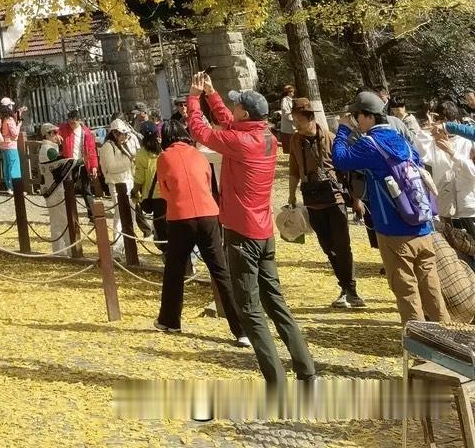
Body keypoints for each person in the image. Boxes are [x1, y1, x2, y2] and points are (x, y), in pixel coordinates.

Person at [185, 72, 315, 389]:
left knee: (249, 309)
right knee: (275, 301)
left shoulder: (240, 142)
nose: (234, 110)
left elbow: (199, 130)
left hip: (242, 234)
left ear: (245, 113)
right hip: (263, 231)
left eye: (237, 106)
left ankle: (276, 381)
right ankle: (306, 369)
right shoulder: (265, 137)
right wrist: (211, 95)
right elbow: (229, 122)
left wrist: (192, 97)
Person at [332, 90, 447, 325]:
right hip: (422, 225)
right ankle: (447, 341)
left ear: (369, 117)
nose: (356, 120)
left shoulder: (370, 144)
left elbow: (341, 159)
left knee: (406, 290)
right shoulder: (401, 140)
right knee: (431, 284)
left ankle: (421, 349)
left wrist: (343, 129)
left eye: (357, 115)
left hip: (394, 230)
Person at [153, 119, 247, 343]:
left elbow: (164, 190)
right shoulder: (199, 154)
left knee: (175, 270)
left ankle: (170, 320)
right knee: (220, 270)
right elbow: (207, 181)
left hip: (180, 217)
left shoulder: (164, 157)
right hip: (208, 214)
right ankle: (241, 330)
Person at [287, 95, 363, 309]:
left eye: (298, 120)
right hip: (311, 200)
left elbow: (348, 173)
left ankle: (351, 290)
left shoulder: (330, 138)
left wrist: (356, 200)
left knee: (342, 246)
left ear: (309, 117)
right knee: (327, 247)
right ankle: (344, 287)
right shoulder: (294, 140)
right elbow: (293, 169)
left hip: (334, 199)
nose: (295, 124)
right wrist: (291, 195)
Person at [428, 121, 475, 237]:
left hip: (469, 209)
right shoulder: (434, 144)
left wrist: (452, 152)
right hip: (450, 209)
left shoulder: (467, 143)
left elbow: (472, 172)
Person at [99, 117, 139, 241]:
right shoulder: (108, 147)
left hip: (128, 182)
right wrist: (129, 161)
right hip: (117, 184)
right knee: (120, 215)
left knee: (131, 215)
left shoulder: (123, 146)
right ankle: (118, 245)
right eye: (122, 134)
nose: (124, 137)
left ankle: (129, 244)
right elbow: (111, 167)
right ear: (115, 133)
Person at [58, 106, 99, 185]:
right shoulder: (64, 128)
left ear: (79, 121)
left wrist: (94, 166)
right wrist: (57, 135)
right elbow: (54, 131)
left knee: (86, 186)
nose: (71, 125)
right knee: (69, 185)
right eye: (69, 123)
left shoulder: (86, 132)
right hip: (69, 162)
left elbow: (92, 150)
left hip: (83, 161)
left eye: (73, 123)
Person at [0, 98, 23, 190]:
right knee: (14, 166)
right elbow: (14, 134)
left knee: (6, 166)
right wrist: (18, 125)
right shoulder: (9, 119)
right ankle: (16, 187)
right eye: (11, 105)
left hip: (3, 145)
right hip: (11, 145)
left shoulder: (0, 119)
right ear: (9, 107)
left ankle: (9, 187)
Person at [277, 86, 295, 157]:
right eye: (291, 92)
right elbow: (285, 111)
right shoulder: (285, 100)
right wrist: (292, 119)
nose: (293, 93)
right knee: (290, 143)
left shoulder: (291, 100)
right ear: (288, 92)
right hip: (288, 126)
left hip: (293, 125)